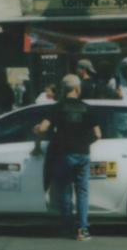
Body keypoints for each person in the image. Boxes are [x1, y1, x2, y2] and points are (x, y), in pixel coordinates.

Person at [33, 73, 101, 240]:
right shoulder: (87, 108)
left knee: (65, 191)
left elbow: (43, 128)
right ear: (78, 89)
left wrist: (37, 132)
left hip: (64, 154)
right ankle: (83, 230)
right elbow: (98, 135)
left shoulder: (57, 107)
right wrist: (84, 143)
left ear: (63, 90)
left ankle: (67, 227)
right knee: (83, 192)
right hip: (83, 154)